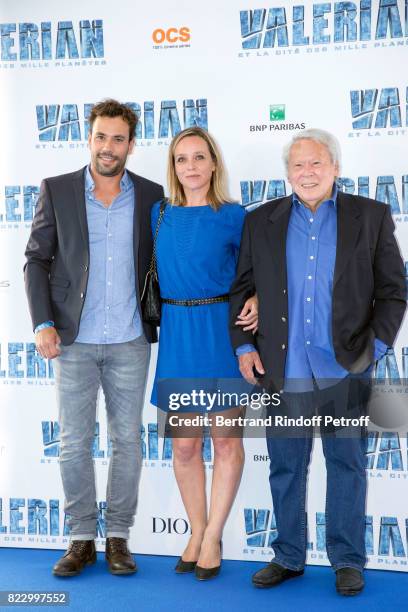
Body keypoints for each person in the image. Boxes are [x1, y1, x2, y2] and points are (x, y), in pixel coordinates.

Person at [229, 129, 406, 595]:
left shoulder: (370, 216)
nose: (307, 173)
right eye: (298, 166)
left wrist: (377, 349)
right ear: (287, 173)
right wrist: (244, 347)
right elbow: (241, 289)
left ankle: (347, 559)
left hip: (343, 367)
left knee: (345, 464)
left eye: (316, 164)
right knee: (286, 466)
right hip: (281, 368)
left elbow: (393, 290)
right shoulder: (260, 221)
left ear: (335, 169)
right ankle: (288, 555)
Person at [24, 99, 164, 576]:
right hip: (73, 340)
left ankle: (119, 538)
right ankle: (81, 538)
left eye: (119, 138)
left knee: (128, 440)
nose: (109, 147)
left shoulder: (152, 196)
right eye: (101, 137)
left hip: (130, 340)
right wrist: (43, 323)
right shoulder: (58, 189)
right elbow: (36, 261)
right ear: (89, 137)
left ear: (131, 144)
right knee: (73, 441)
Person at [151, 127, 257, 580]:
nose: (190, 167)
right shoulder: (158, 214)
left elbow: (255, 274)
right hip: (177, 336)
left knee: (227, 442)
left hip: (221, 334)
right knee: (185, 448)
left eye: (198, 157)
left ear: (214, 163)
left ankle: (213, 535)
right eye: (181, 159)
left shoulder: (235, 216)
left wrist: (259, 301)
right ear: (173, 168)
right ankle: (195, 530)